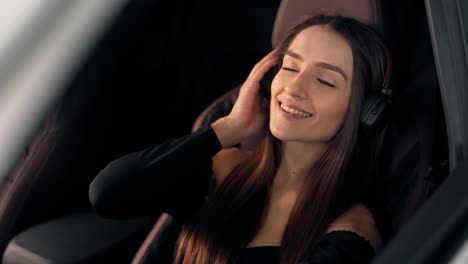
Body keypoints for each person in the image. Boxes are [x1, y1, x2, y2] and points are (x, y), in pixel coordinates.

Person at [89, 14, 391, 264]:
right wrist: (230, 128)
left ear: (365, 110)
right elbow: (109, 192)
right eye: (289, 67)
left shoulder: (349, 232)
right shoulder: (225, 168)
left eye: (325, 80)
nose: (294, 88)